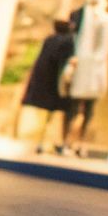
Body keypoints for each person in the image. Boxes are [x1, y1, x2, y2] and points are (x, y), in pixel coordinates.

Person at [63, 0, 108, 158]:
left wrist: (95, 63)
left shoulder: (105, 19)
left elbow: (104, 46)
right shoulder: (80, 17)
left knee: (88, 110)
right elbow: (74, 40)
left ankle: (81, 142)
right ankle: (66, 141)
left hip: (94, 69)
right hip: (80, 66)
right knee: (73, 107)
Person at [21, 18, 73, 154]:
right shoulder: (67, 42)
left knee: (44, 116)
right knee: (53, 116)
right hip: (56, 86)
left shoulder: (49, 40)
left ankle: (42, 142)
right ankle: (50, 143)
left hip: (44, 85)